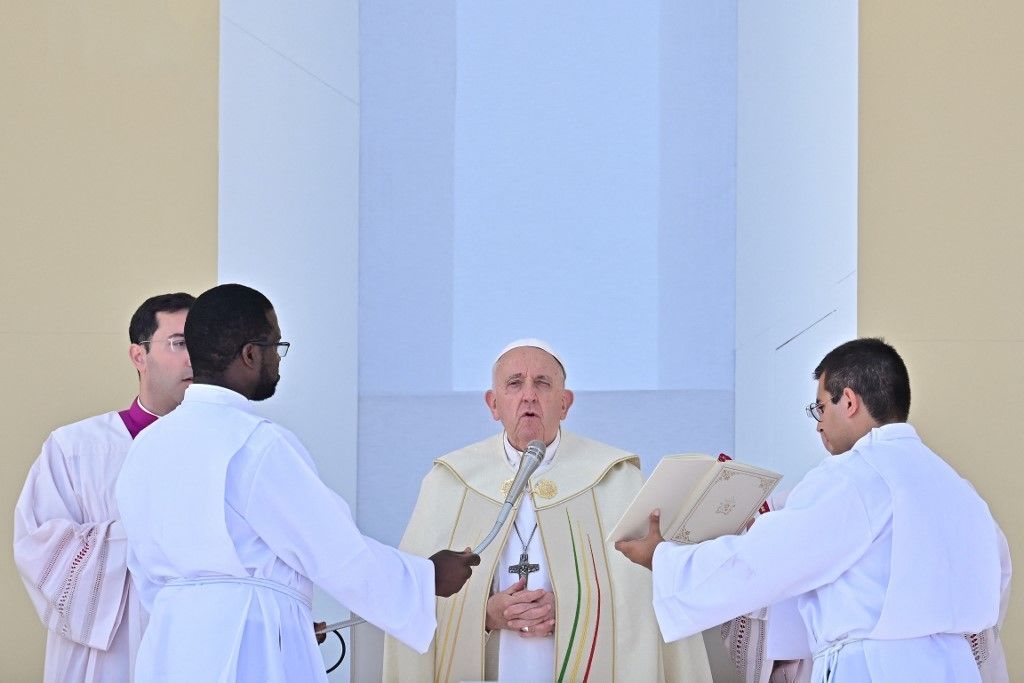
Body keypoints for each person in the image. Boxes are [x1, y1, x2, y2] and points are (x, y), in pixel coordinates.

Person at [114, 283, 479, 682]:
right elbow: (333, 549)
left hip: (171, 648)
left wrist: (280, 617)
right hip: (247, 650)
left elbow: (147, 574)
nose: (278, 360)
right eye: (275, 346)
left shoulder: (147, 446)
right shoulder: (254, 442)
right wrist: (426, 577)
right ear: (250, 354)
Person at [617, 338, 1010, 682]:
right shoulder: (959, 490)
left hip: (875, 669)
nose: (819, 425)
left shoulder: (856, 475)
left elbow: (767, 561)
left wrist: (664, 559)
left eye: (820, 407)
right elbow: (997, 584)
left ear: (850, 401)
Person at [384, 339, 712, 682]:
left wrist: (573, 610)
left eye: (542, 383)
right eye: (514, 384)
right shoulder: (450, 482)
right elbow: (415, 593)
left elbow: (644, 596)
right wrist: (484, 614)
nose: (529, 395)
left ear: (565, 403)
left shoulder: (616, 478)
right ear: (493, 404)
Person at [14, 292, 195, 683]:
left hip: (196, 642)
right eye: (179, 343)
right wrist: (150, 535)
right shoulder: (76, 447)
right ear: (138, 356)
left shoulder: (229, 449)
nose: (192, 357)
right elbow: (39, 546)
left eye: (201, 343)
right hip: (106, 651)